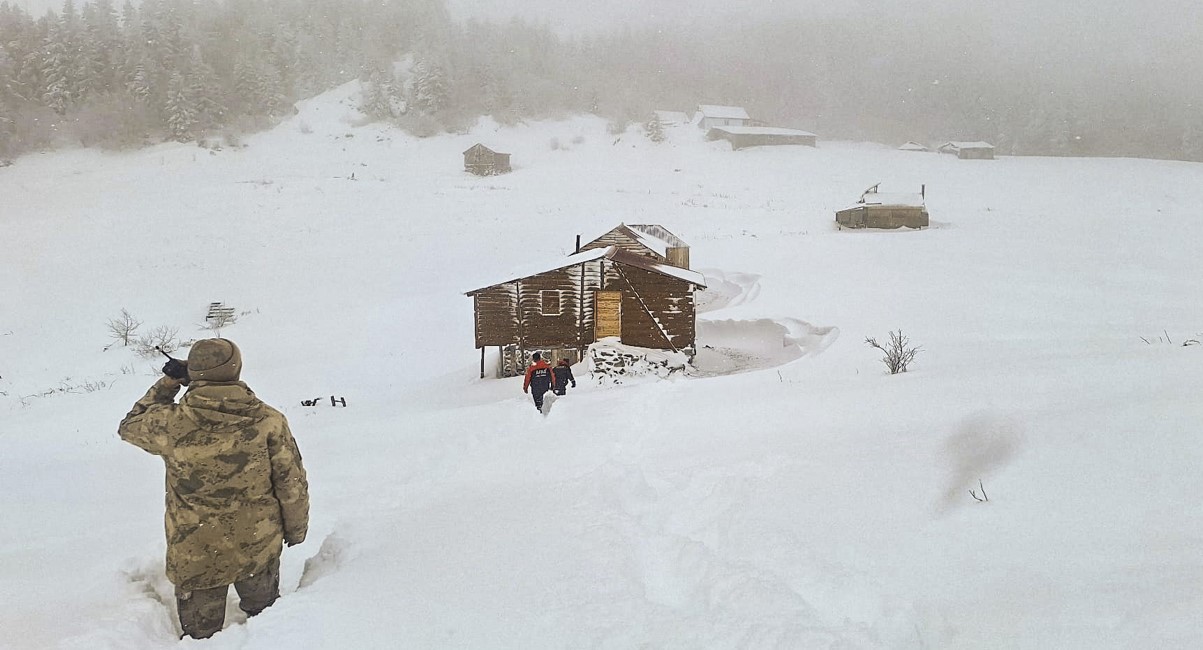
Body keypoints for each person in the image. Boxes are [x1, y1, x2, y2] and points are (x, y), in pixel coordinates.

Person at [117, 338, 309, 640]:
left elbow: (130, 426)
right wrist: (296, 530)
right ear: (236, 370)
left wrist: (168, 384)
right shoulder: (269, 421)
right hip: (258, 545)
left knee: (201, 640)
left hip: (196, 555)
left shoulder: (171, 424)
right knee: (270, 627)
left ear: (193, 373)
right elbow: (291, 483)